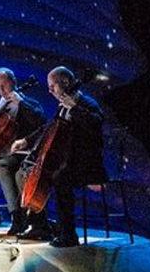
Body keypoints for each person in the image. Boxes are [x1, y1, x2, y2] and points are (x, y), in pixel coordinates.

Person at [0, 67, 48, 236]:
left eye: (4, 85)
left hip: (26, 153)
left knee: (3, 166)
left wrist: (21, 102)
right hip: (4, 152)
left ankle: (19, 218)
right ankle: (17, 217)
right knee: (2, 165)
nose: (0, 90)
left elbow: (41, 123)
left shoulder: (29, 103)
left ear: (13, 82)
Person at [40, 66, 106, 248]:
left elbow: (96, 124)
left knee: (60, 179)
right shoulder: (61, 107)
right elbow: (49, 129)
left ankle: (68, 235)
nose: (50, 91)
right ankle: (45, 226)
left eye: (52, 86)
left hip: (87, 164)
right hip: (68, 162)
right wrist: (26, 141)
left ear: (66, 82)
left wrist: (75, 107)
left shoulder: (87, 103)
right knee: (37, 174)